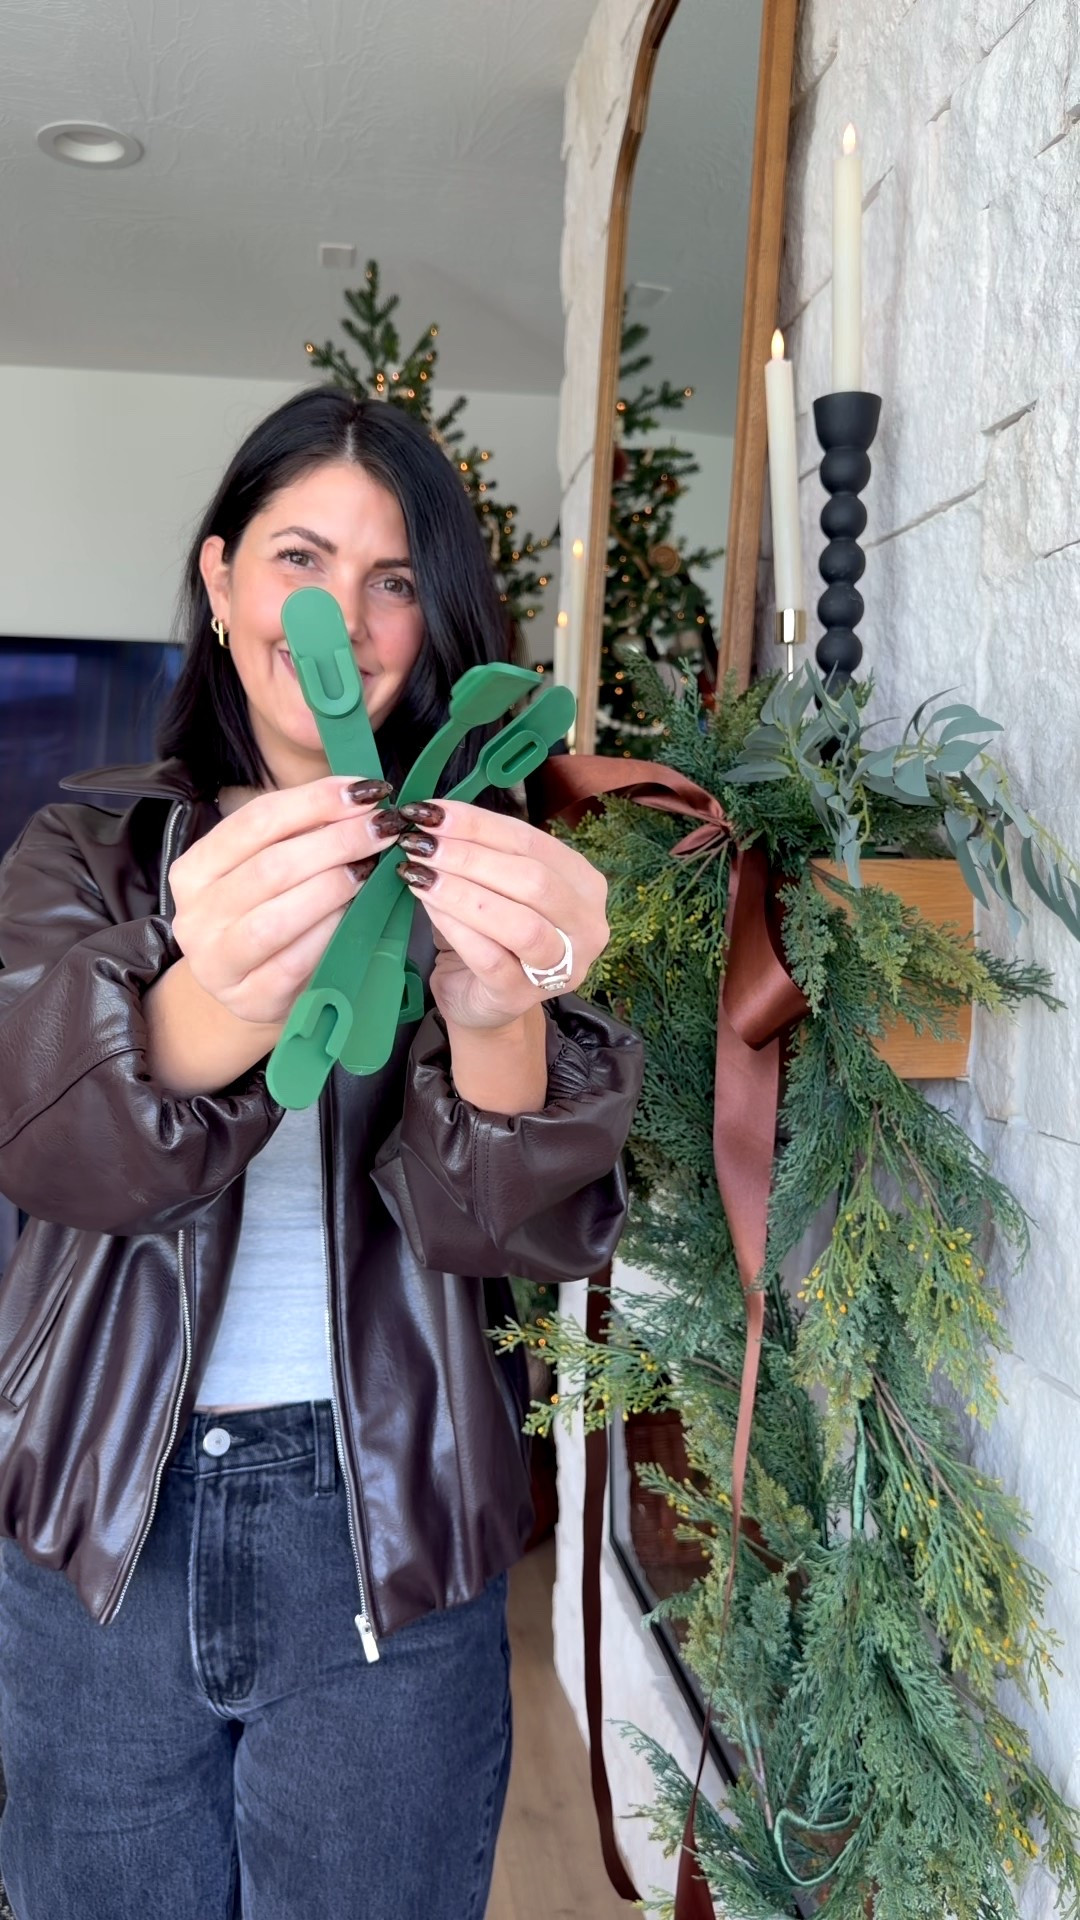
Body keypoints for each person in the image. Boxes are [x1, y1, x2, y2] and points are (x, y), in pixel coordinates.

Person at [0, 388, 642, 1920]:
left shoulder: (487, 864)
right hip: (100, 1520)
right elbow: (49, 1147)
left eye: (394, 578)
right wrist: (210, 986)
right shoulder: (85, 853)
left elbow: (518, 1235)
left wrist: (496, 1007)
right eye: (300, 558)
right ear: (221, 584)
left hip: (393, 1537)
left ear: (435, 625)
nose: (339, 618)